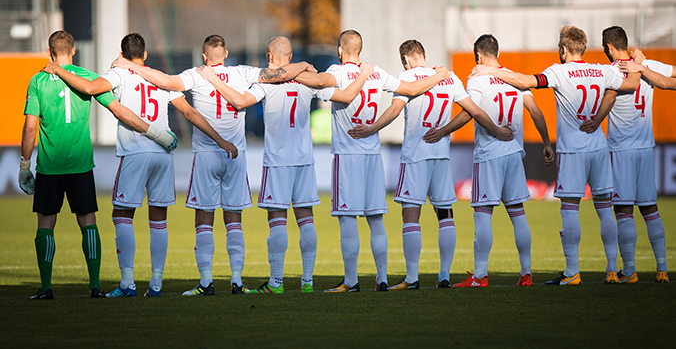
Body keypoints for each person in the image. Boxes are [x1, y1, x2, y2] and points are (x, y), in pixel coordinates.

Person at [113, 35, 311, 295]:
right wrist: (305, 64)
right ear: (226, 53)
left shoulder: (197, 74)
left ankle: (206, 282)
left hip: (207, 153)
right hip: (235, 154)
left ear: (205, 56)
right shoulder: (242, 72)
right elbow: (280, 73)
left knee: (204, 219)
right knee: (234, 219)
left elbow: (166, 82)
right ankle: (237, 281)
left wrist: (129, 65)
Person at [42, 33, 237, 297]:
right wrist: (220, 139)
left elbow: (88, 88)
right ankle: (156, 284)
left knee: (122, 215)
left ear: (122, 54)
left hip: (136, 152)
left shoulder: (119, 73)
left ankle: (127, 283)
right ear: (144, 55)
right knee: (159, 219)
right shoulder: (159, 78)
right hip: (163, 153)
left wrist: (57, 69)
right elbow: (190, 112)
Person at [198, 36, 373, 294]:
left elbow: (239, 102)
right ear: (290, 57)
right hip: (304, 160)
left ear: (269, 58)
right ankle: (307, 281)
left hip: (277, 161)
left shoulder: (265, 84)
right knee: (306, 219)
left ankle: (277, 282)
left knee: (277, 219)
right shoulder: (308, 83)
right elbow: (346, 96)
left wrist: (213, 80)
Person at [470, 25, 639, 285]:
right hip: (598, 146)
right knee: (605, 209)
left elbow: (526, 81)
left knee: (570, 209)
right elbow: (628, 85)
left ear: (563, 49)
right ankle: (612, 269)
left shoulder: (558, 72)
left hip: (572, 150)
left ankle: (572, 272)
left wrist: (490, 70)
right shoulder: (602, 71)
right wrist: (598, 118)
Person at [294, 29, 457, 292]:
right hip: (373, 155)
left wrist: (291, 70)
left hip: (347, 156)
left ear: (339, 50)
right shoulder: (377, 72)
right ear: (360, 49)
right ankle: (381, 279)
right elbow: (413, 89)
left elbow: (320, 82)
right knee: (376, 219)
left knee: (347, 218)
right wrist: (439, 75)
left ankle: (351, 282)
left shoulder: (336, 72)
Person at [347, 39, 515, 290]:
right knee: (445, 214)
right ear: (423, 55)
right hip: (441, 156)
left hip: (415, 156)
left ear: (406, 59)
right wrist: (497, 131)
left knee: (410, 214)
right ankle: (444, 276)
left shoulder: (407, 78)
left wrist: (372, 128)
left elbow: (394, 110)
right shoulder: (450, 78)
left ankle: (412, 278)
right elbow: (474, 112)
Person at [20, 30, 177, 299]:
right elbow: (119, 110)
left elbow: (30, 128)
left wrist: (25, 165)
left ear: (49, 52)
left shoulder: (37, 80)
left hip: (49, 165)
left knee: (45, 224)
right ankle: (95, 286)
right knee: (88, 223)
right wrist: (155, 132)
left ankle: (46, 287)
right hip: (81, 163)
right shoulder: (89, 78)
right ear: (73, 51)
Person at [446, 35, 554, 288]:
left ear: (478, 56)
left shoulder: (478, 78)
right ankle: (526, 274)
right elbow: (536, 112)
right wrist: (547, 143)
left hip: (489, 155)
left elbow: (469, 112)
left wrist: (443, 131)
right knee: (518, 214)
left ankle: (480, 276)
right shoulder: (514, 78)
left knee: (483, 214)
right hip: (515, 155)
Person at [594, 28, 672, 283]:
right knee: (651, 210)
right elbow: (671, 81)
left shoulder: (612, 70)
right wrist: (641, 65)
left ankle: (629, 270)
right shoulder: (647, 64)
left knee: (623, 210)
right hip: (645, 148)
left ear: (608, 47)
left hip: (621, 150)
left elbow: (604, 94)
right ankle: (662, 269)